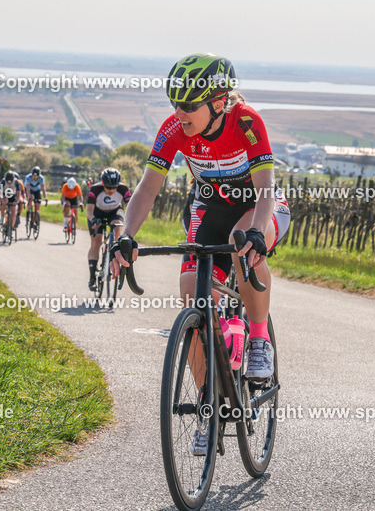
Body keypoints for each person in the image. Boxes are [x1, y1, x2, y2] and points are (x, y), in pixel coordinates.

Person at [111, 53, 290, 454]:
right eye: (175, 103)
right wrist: (127, 235)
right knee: (193, 296)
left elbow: (265, 188)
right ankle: (210, 405)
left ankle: (259, 338)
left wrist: (257, 233)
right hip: (210, 209)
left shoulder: (246, 122)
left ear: (219, 101)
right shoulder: (174, 128)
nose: (180, 113)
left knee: (243, 243)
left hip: (259, 206)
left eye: (189, 105)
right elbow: (147, 187)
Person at [86, 167, 132, 290]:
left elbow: (130, 208)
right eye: (108, 187)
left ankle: (114, 251)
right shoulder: (95, 189)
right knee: (96, 242)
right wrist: (93, 219)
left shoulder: (123, 189)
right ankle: (92, 277)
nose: (111, 190)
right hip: (97, 213)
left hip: (114, 212)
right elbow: (89, 211)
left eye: (114, 187)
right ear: (102, 184)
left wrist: (129, 221)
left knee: (117, 227)